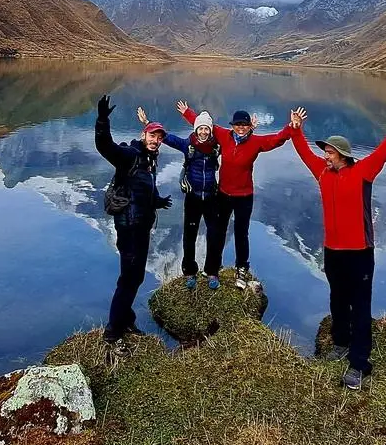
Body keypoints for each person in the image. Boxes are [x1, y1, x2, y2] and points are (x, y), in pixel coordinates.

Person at [289, 100, 386, 390]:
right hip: (332, 251)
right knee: (337, 298)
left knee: (360, 306)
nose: (324, 156)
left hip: (360, 252)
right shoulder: (322, 172)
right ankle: (340, 343)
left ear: (343, 155)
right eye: (325, 152)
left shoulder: (363, 172)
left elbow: (385, 151)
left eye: (329, 152)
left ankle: (359, 364)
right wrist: (296, 130)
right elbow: (303, 152)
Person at [176, 99, 291, 289]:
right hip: (223, 194)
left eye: (244, 125)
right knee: (218, 232)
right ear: (232, 126)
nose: (241, 128)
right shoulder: (224, 135)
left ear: (250, 126)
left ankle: (241, 268)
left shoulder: (256, 142)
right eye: (238, 124)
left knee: (241, 232)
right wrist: (187, 112)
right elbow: (204, 125)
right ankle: (214, 267)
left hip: (244, 196)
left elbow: (276, 139)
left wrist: (291, 128)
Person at [94, 94, 172, 344]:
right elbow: (106, 147)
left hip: (140, 226)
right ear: (143, 135)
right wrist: (102, 121)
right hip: (129, 227)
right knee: (129, 278)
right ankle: (113, 332)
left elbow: (142, 188)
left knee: (134, 276)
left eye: (159, 138)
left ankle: (125, 319)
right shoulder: (130, 155)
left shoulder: (149, 160)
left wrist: (157, 201)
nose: (156, 140)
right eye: (152, 136)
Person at [138, 104, 220, 289]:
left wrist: (250, 130)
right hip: (193, 197)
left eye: (207, 129)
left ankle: (212, 272)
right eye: (200, 128)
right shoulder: (188, 145)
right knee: (190, 235)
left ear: (210, 130)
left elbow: (235, 140)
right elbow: (167, 138)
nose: (204, 132)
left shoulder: (216, 146)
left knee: (214, 235)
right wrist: (147, 123)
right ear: (196, 130)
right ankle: (190, 272)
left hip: (211, 197)